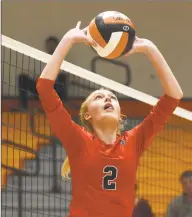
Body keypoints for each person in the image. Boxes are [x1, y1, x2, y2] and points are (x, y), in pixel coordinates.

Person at [36, 21, 183, 217]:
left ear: (120, 114)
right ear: (87, 114)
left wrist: (150, 49)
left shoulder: (134, 140)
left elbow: (174, 96)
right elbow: (45, 88)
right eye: (98, 97)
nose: (107, 98)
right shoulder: (78, 140)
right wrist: (68, 39)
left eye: (112, 97)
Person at [14, 36, 68, 111]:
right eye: (49, 45)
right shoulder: (40, 58)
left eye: (53, 45)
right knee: (22, 78)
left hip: (53, 89)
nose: (51, 47)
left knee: (62, 78)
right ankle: (24, 106)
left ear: (57, 46)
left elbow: (62, 74)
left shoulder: (61, 58)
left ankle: (62, 106)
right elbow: (34, 73)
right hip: (40, 87)